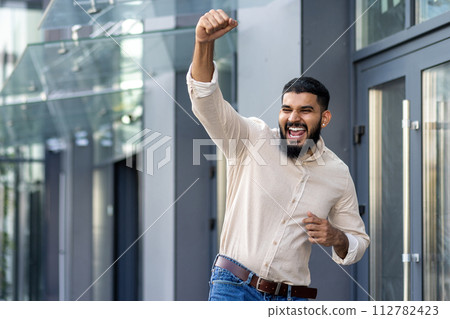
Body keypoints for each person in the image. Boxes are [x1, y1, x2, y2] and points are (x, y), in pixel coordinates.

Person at [187, 9, 370, 301]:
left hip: (293, 299)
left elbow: (358, 242)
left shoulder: (337, 172)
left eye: (305, 110)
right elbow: (207, 101)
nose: (293, 118)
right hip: (233, 289)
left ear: (324, 118)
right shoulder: (252, 139)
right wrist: (203, 44)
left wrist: (336, 237)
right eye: (287, 109)